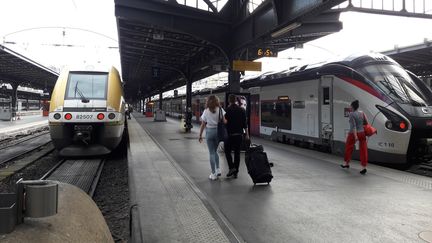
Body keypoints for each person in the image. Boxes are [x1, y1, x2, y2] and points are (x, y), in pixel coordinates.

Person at [199, 95, 225, 180]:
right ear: (217, 101)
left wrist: (200, 135)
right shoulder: (220, 110)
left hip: (209, 132)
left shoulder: (206, 111)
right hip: (218, 132)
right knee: (215, 151)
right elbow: (224, 121)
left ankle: (213, 173)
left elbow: (203, 124)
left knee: (212, 153)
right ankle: (218, 169)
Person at [224, 94, 249, 178]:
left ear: (229, 101)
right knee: (237, 153)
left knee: (227, 152)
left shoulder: (226, 110)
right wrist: (247, 135)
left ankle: (231, 168)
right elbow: (245, 124)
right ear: (236, 100)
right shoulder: (242, 110)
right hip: (239, 135)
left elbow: (224, 123)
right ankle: (236, 172)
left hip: (229, 135)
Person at [341, 100, 368, 175]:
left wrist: (356, 136)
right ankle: (364, 167)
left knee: (348, 147)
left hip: (353, 134)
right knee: (363, 150)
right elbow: (366, 123)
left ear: (352, 107)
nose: (350, 107)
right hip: (362, 133)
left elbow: (353, 126)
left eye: (350, 106)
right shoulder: (362, 113)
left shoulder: (351, 114)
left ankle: (346, 163)